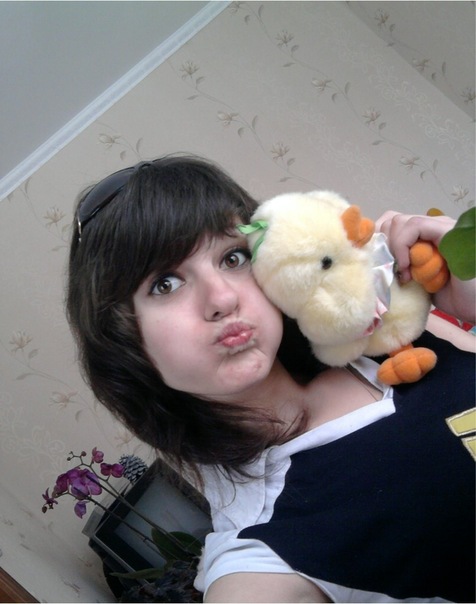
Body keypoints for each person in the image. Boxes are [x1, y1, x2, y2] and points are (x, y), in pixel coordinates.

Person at [66, 155, 475, 603]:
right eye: (165, 283)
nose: (222, 298)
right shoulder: (263, 557)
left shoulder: (389, 338)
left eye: (233, 257)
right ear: (124, 341)